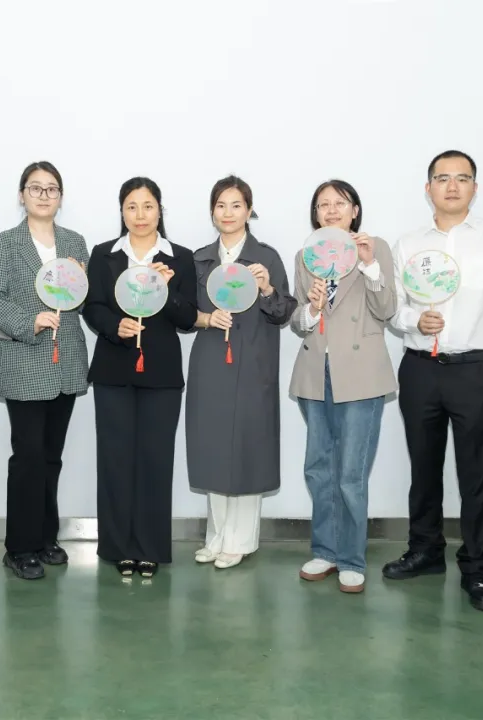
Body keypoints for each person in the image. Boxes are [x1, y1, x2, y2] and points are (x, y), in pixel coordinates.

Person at [383, 150, 483, 612]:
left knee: (476, 473)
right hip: (420, 367)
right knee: (423, 467)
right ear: (428, 189)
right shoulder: (408, 244)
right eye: (442, 178)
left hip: (475, 370)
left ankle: (476, 566)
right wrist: (414, 321)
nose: (452, 186)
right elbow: (395, 307)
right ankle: (425, 550)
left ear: (474, 188)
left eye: (462, 178)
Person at [83, 177, 198, 578]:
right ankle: (117, 547)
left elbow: (188, 317)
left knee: (155, 459)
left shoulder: (179, 258)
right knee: (114, 459)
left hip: (161, 373)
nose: (140, 214)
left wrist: (166, 289)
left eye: (148, 206)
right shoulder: (104, 254)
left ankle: (150, 547)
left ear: (160, 210)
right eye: (131, 206)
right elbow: (92, 307)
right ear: (122, 211)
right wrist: (115, 326)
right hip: (113, 370)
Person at [0, 161, 91, 580]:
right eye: (35, 188)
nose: (44, 195)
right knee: (27, 457)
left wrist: (82, 282)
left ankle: (47, 538)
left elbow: (81, 299)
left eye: (52, 189)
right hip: (24, 360)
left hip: (67, 361)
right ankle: (19, 546)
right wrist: (31, 321)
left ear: (60, 197)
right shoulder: (4, 244)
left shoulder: (74, 242)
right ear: (21, 195)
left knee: (51, 457)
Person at [291, 180, 396, 593]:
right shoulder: (305, 255)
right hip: (316, 371)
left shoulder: (375, 248)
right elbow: (298, 320)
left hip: (361, 373)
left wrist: (369, 266)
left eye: (340, 202)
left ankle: (352, 558)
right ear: (315, 214)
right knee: (319, 467)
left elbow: (387, 310)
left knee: (351, 473)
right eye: (323, 204)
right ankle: (326, 551)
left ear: (355, 210)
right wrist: (312, 307)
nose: (331, 210)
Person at [185, 176, 296, 569]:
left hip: (253, 360)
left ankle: (241, 540)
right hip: (211, 359)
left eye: (236, 205)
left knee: (249, 447)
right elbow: (185, 313)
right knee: (213, 446)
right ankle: (216, 537)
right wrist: (204, 318)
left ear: (249, 211)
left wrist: (266, 289)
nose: (228, 213)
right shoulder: (199, 259)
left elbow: (284, 313)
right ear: (212, 212)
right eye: (221, 205)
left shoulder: (266, 258)